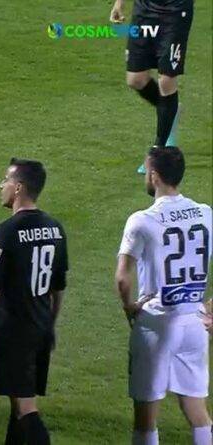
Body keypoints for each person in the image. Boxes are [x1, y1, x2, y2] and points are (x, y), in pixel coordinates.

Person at [115, 146, 212, 445]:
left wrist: (129, 307)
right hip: (195, 322)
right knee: (198, 412)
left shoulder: (142, 220)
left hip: (156, 323)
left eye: (146, 171)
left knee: (145, 419)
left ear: (155, 176)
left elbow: (122, 277)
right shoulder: (205, 213)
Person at [0, 159, 68, 445]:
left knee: (26, 408)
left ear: (19, 188)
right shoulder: (55, 228)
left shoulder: (7, 231)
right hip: (40, 326)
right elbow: (58, 286)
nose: (1, 185)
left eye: (6, 180)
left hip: (16, 331)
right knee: (18, 403)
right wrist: (51, 324)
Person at [109, 0, 193, 173]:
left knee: (166, 80)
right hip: (144, 11)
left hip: (175, 12)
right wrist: (119, 4)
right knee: (135, 79)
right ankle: (171, 111)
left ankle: (158, 152)